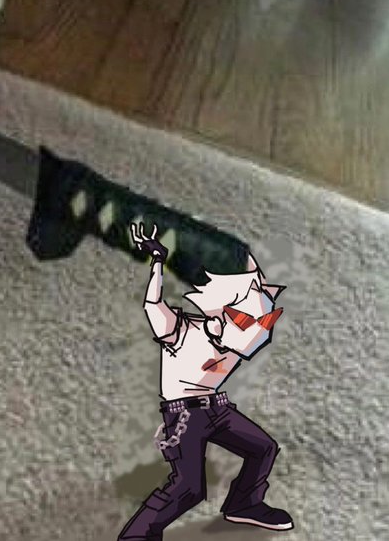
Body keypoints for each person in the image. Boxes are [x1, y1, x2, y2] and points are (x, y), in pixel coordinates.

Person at [118, 223, 293, 540]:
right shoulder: (180, 330)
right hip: (184, 415)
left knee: (263, 448)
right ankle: (138, 535)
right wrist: (157, 262)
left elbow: (253, 292)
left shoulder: (240, 340)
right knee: (188, 488)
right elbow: (152, 305)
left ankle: (244, 503)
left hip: (218, 409)